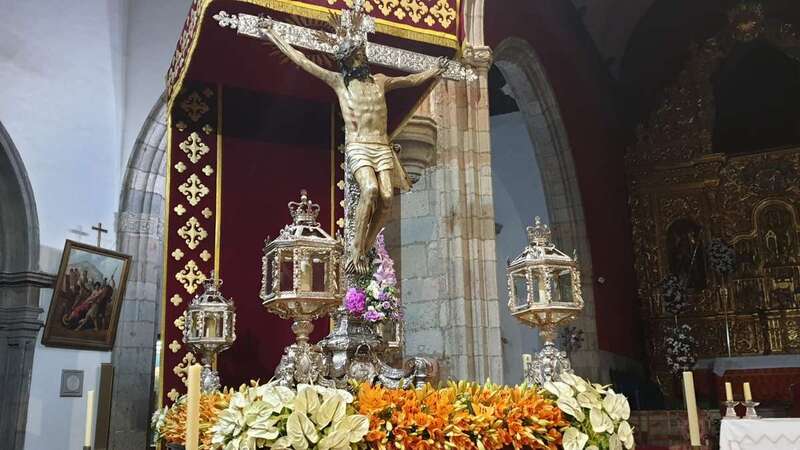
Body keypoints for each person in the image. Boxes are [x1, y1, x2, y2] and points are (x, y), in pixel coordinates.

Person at [260, 14, 447, 275]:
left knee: (387, 197)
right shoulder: (339, 82)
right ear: (347, 59)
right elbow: (302, 62)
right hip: (359, 145)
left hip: (382, 146)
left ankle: (366, 249)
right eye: (355, 55)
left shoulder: (380, 81)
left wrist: (435, 70)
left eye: (360, 54)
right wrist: (273, 35)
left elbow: (411, 80)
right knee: (370, 190)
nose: (360, 58)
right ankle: (355, 251)